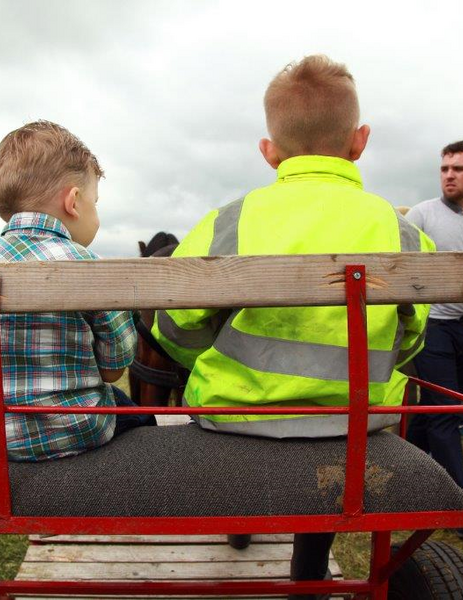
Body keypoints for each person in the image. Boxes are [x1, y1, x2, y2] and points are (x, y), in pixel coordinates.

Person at [152, 55, 434, 599]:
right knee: (332, 448)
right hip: (357, 424)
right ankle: (308, 575)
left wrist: (211, 362)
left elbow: (172, 326)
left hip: (233, 418)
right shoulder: (400, 232)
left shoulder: (228, 223)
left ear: (270, 151)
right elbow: (412, 338)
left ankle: (242, 517)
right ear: (360, 140)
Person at [0, 120, 154, 462]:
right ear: (74, 201)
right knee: (139, 413)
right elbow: (114, 371)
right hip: (76, 430)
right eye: (95, 202)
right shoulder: (91, 268)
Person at [406, 141, 463, 493]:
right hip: (434, 327)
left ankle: (403, 481)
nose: (449, 175)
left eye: (457, 169)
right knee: (446, 411)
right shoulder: (422, 215)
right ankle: (459, 504)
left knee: (429, 415)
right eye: (444, 169)